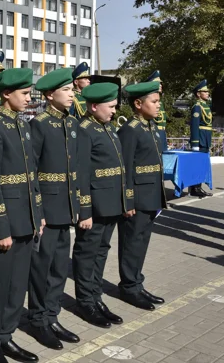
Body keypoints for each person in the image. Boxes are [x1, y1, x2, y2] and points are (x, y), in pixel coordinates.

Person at [0, 68, 42, 363]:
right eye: (25, 94)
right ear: (6, 94)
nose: (30, 99)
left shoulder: (23, 125)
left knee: (18, 284)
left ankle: (7, 335)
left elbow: (32, 176)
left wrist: (37, 213)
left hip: (26, 218)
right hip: (6, 221)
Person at [27, 67, 80, 351]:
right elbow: (32, 171)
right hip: (47, 208)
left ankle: (52, 315)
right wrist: (38, 211)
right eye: (67, 90)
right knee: (41, 268)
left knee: (59, 267)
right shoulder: (40, 124)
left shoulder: (70, 124)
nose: (72, 94)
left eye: (72, 90)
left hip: (66, 206)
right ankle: (37, 320)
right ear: (50, 95)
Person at [72, 83, 126, 329]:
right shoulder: (84, 130)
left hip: (110, 204)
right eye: (111, 107)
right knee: (86, 254)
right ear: (94, 106)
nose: (114, 111)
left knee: (101, 250)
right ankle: (85, 301)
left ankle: (96, 297)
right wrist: (84, 210)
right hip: (93, 207)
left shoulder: (107, 128)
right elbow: (81, 174)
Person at [117, 82, 167, 311]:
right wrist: (127, 200)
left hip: (150, 196)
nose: (158, 106)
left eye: (158, 102)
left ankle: (137, 282)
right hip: (136, 198)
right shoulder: (130, 130)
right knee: (131, 243)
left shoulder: (150, 127)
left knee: (142, 242)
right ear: (138, 104)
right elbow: (124, 168)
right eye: (154, 102)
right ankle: (129, 287)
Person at [189, 80, 213, 197]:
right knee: (197, 165)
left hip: (206, 139)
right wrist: (195, 143)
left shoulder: (205, 106)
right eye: (205, 91)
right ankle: (195, 188)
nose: (208, 93)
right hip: (200, 139)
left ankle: (198, 186)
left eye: (208, 91)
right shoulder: (197, 107)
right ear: (198, 94)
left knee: (202, 165)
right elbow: (194, 126)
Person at [146, 71, 167, 154]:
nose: (160, 85)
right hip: (154, 133)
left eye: (161, 83)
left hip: (161, 133)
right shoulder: (148, 101)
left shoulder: (160, 102)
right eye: (158, 83)